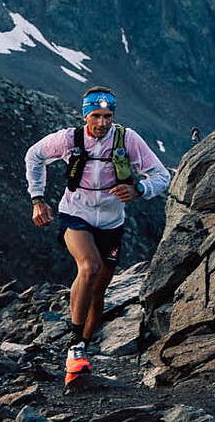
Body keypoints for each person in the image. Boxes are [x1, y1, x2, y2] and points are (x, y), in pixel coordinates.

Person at [25, 86, 171, 385]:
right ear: (85, 116)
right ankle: (75, 346)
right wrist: (37, 198)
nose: (102, 123)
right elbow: (34, 155)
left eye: (107, 116)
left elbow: (161, 176)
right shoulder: (69, 139)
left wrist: (139, 189)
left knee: (98, 290)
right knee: (88, 267)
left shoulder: (127, 139)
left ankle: (81, 354)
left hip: (111, 221)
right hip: (74, 213)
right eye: (95, 116)